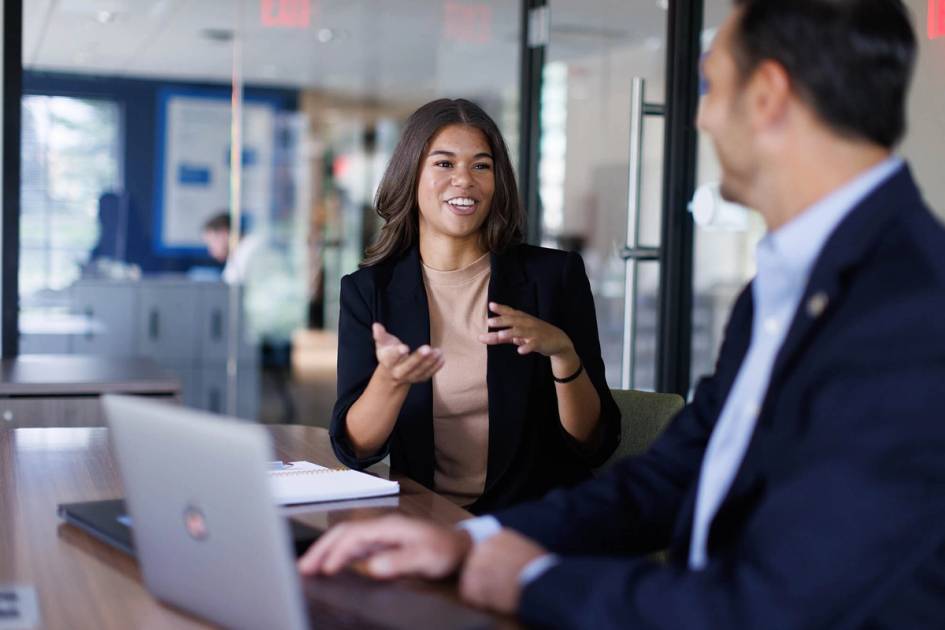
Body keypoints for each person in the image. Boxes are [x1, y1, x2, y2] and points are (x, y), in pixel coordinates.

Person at [299, 1, 945, 627]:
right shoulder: (782, 287)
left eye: (708, 87)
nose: (700, 120)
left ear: (767, 96)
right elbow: (668, 477)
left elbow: (780, 604)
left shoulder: (912, 312)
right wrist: (476, 541)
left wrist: (528, 579)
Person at [328, 98, 620, 513]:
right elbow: (356, 450)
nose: (464, 180)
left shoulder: (554, 278)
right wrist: (390, 381)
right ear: (410, 175)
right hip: (426, 519)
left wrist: (563, 354)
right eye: (444, 164)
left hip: (534, 520)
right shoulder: (368, 292)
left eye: (481, 166)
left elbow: (595, 443)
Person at [200, 211, 263, 285]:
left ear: (223, 233)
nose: (211, 253)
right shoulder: (237, 255)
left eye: (211, 244)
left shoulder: (251, 249)